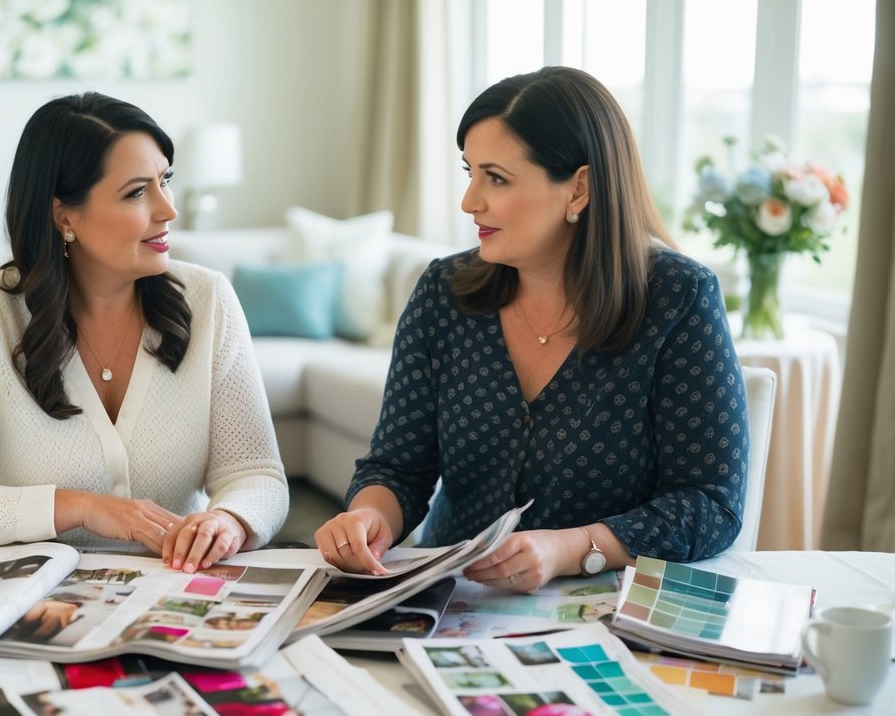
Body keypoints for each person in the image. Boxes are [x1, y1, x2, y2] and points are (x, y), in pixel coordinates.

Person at [315, 67, 748, 591]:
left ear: (579, 189)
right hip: (453, 598)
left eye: (496, 178)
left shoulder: (679, 298)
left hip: (599, 602)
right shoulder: (443, 292)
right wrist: (371, 516)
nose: (469, 201)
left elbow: (709, 504)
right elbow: (397, 467)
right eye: (469, 172)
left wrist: (569, 549)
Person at [0, 93, 288, 574]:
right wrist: (81, 506)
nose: (168, 209)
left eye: (165, 180)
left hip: (174, 598)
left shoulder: (209, 299)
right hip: (26, 603)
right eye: (136, 192)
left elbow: (257, 474)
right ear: (64, 215)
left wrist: (230, 520)